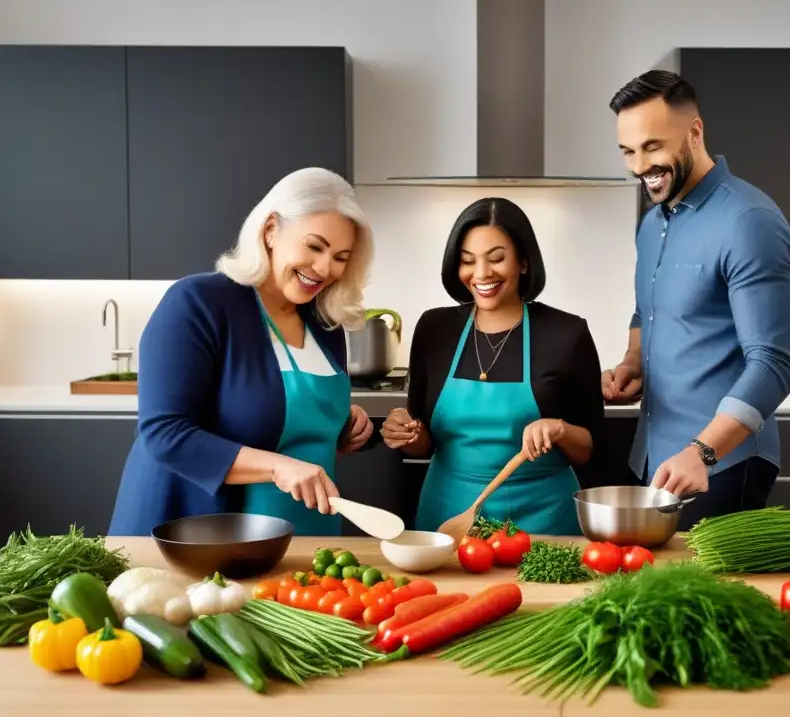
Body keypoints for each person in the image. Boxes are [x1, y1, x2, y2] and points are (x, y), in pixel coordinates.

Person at [108, 167, 376, 536]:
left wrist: (341, 425)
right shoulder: (199, 303)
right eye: (314, 246)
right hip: (196, 535)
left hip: (302, 531)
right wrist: (279, 467)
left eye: (341, 256)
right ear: (270, 231)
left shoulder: (325, 323)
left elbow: (279, 417)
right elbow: (165, 432)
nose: (325, 268)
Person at [602, 70, 790, 528]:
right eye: (628, 151)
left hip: (720, 465)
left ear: (695, 132)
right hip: (655, 456)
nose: (638, 166)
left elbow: (773, 363)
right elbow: (646, 310)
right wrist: (633, 361)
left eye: (652, 146)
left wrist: (702, 452)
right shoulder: (653, 223)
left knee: (708, 598)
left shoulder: (748, 222)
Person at [380, 198, 604, 535]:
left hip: (545, 522)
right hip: (449, 516)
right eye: (468, 261)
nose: (481, 273)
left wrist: (559, 429)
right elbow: (424, 441)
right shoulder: (435, 328)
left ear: (524, 262)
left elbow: (589, 448)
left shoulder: (566, 333)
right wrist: (404, 432)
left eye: (496, 258)